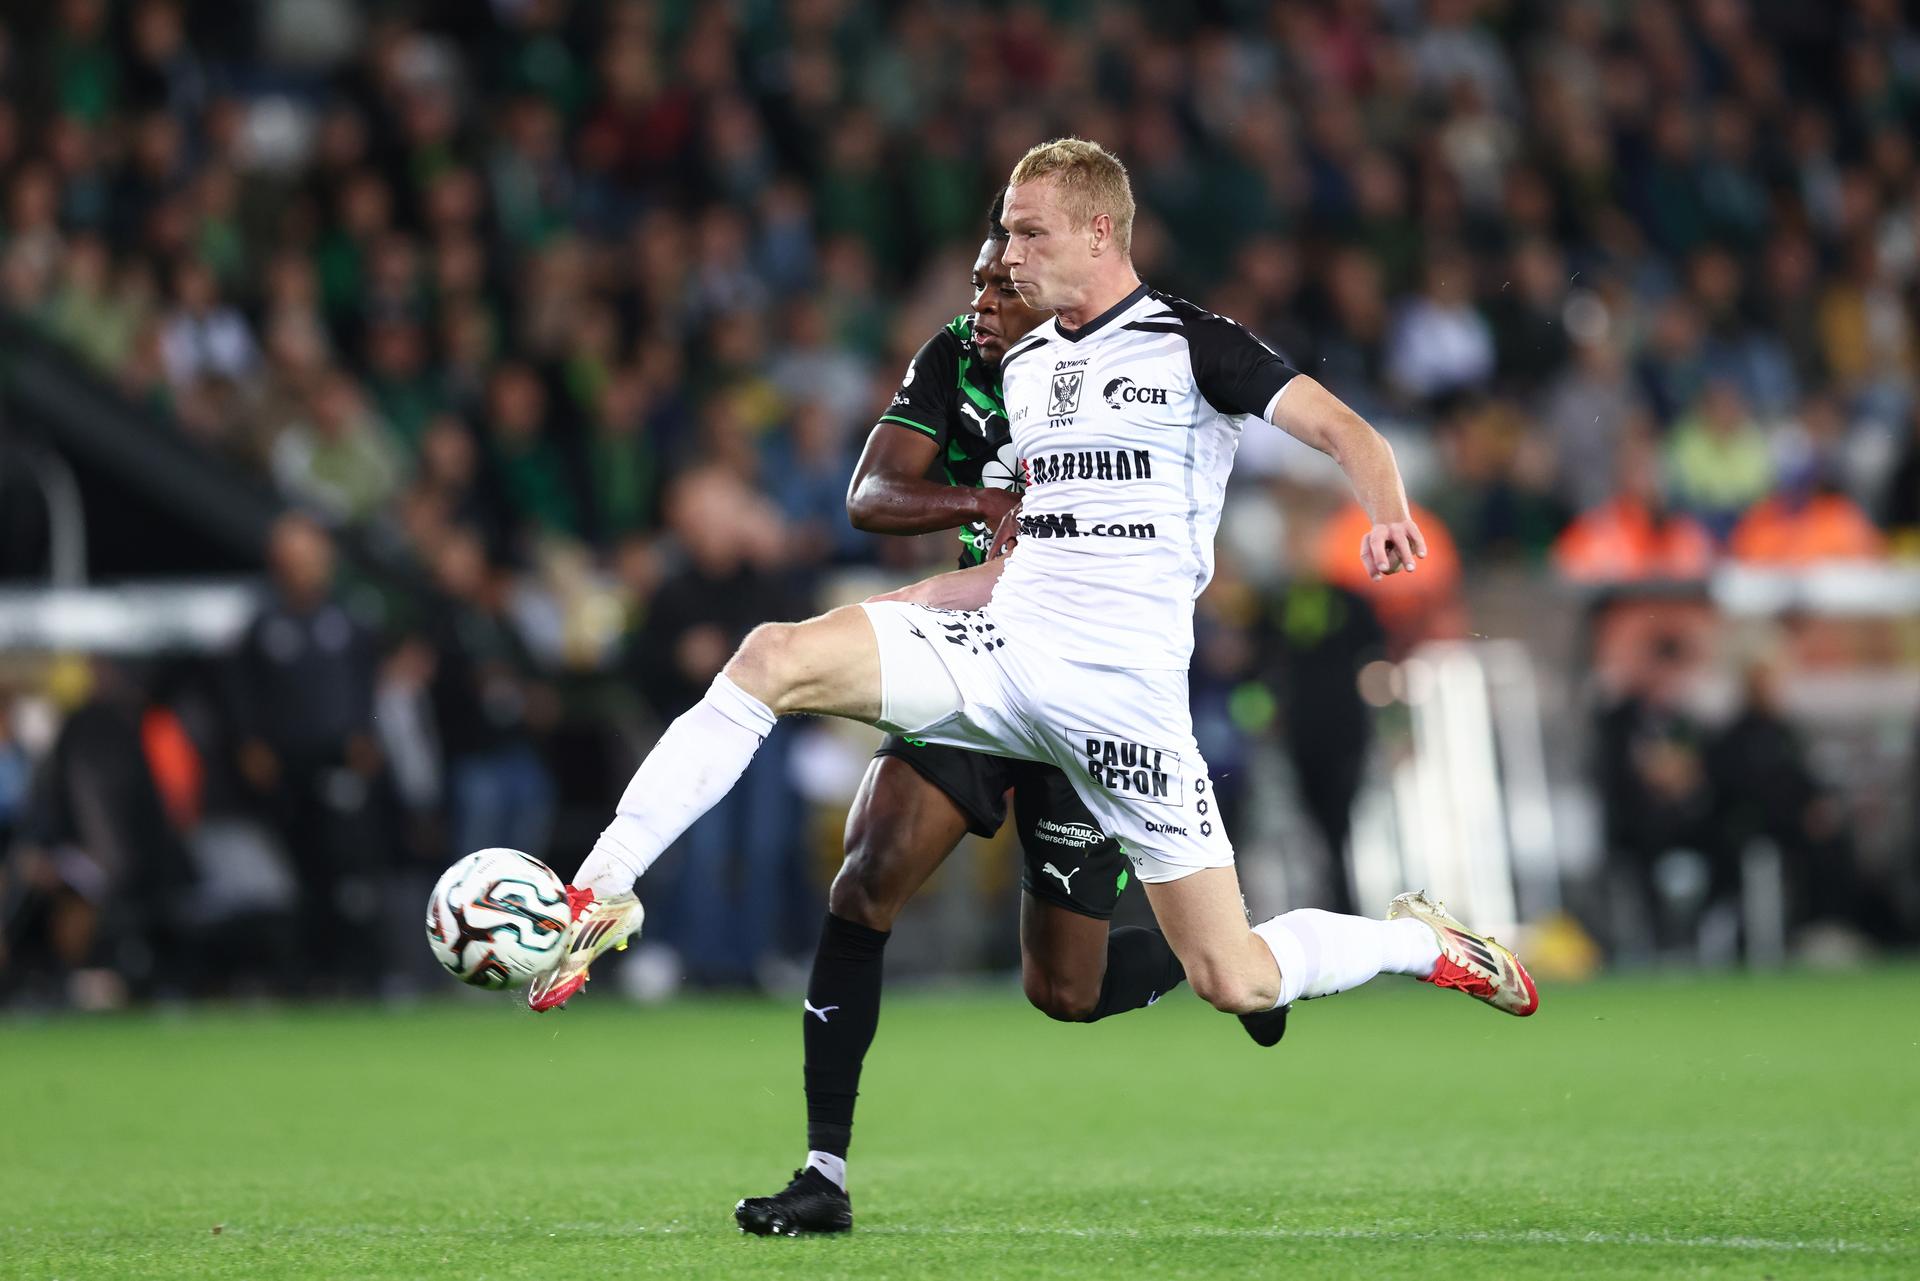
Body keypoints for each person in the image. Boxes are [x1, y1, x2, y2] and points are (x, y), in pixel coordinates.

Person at [532, 138, 1536, 1225]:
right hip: (1004, 660)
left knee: (1231, 978)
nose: (1004, 257)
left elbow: (1344, 429)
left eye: (1026, 233)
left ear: (1101, 233)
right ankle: (600, 893)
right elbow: (1028, 549)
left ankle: (1424, 943)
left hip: (1126, 705)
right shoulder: (1017, 366)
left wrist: (1385, 509)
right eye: (1004, 233)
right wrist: (898, 613)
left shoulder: (1192, 345)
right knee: (773, 653)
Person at [734, 196, 1288, 1236]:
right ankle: (823, 1173)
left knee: (1065, 991)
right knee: (868, 876)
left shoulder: (1151, 357)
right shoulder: (959, 357)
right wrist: (983, 506)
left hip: (1096, 691)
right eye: (981, 280)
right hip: (986, 671)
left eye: (1006, 281)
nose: (984, 300)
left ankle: (1231, 957)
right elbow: (871, 492)